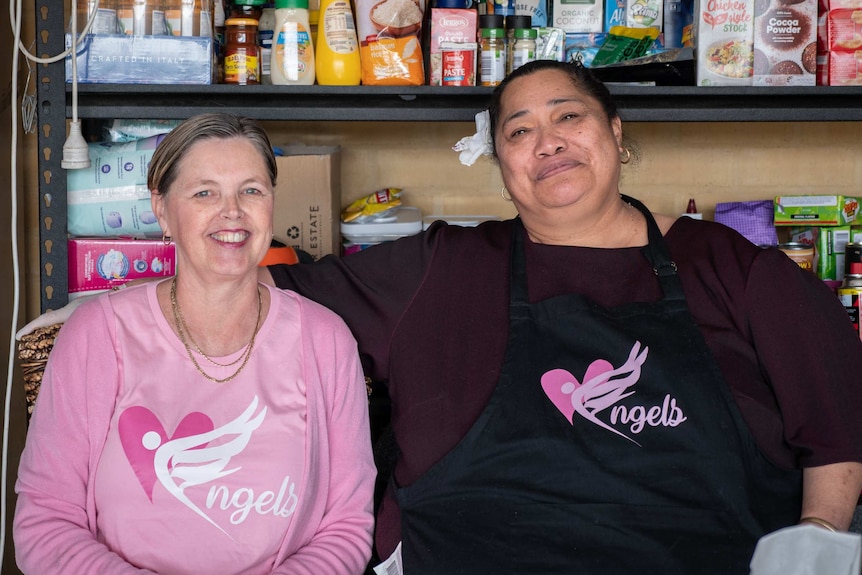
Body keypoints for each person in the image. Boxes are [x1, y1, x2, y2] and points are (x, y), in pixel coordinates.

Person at [17, 61, 862, 573]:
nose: (548, 142)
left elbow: (837, 428)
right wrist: (102, 317)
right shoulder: (447, 265)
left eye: (568, 117)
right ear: (502, 167)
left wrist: (820, 536)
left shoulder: (734, 271)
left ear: (616, 131)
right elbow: (260, 284)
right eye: (519, 131)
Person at [13, 113, 376, 574]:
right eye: (204, 192)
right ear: (161, 209)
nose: (232, 211)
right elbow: (46, 522)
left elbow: (345, 525)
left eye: (252, 190)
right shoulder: (96, 336)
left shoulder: (324, 341)